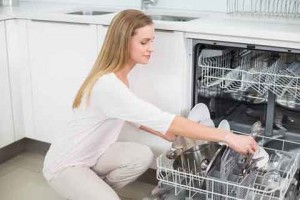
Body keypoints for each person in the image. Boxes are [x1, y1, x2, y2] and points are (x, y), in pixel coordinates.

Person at [43, 9, 257, 200]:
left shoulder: (118, 77)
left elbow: (129, 114)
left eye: (151, 41)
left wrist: (162, 133)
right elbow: (165, 119)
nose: (151, 48)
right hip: (66, 166)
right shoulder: (109, 85)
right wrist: (228, 137)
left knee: (142, 155)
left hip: (94, 154)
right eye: (144, 42)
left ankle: (92, 191)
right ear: (123, 43)